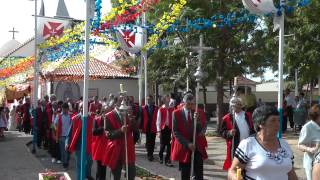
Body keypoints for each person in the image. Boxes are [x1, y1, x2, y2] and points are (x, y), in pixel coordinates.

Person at [228, 105, 298, 180]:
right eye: (273, 120)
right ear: (260, 124)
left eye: (278, 120)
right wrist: (236, 177)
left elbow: (291, 172)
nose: (278, 124)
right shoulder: (248, 144)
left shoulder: (284, 144)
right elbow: (232, 171)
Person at [171, 93, 208, 180]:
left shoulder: (196, 112)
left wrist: (197, 120)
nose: (191, 106)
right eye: (189, 104)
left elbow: (200, 130)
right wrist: (187, 144)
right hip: (184, 146)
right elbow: (175, 131)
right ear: (184, 103)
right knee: (185, 172)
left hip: (197, 146)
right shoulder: (176, 113)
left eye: (193, 104)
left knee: (199, 171)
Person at [102, 95, 138, 180]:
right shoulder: (108, 116)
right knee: (116, 175)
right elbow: (108, 134)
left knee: (131, 173)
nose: (124, 103)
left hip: (128, 148)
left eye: (125, 101)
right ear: (115, 103)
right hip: (116, 148)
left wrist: (131, 118)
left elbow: (135, 129)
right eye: (121, 101)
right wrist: (120, 131)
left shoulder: (128, 114)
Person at [220, 97, 255, 170]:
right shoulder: (227, 118)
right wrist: (229, 133)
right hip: (235, 145)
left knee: (249, 165)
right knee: (236, 166)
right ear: (231, 106)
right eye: (234, 105)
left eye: (238, 104)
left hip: (249, 144)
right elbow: (222, 132)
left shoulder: (248, 115)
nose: (236, 106)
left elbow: (254, 128)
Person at [67, 103, 94, 180]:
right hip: (79, 146)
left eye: (84, 107)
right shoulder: (75, 118)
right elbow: (70, 133)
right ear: (79, 108)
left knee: (89, 162)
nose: (82, 109)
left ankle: (87, 175)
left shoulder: (91, 119)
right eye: (81, 107)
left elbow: (93, 132)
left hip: (88, 145)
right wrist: (67, 142)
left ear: (88, 108)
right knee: (80, 164)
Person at [298, 104, 320, 180]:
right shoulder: (308, 127)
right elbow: (300, 145)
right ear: (317, 116)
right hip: (312, 163)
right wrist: (310, 149)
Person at [156, 94, 174, 166]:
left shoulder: (172, 109)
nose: (169, 99)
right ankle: (160, 157)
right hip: (163, 129)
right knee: (162, 145)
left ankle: (167, 159)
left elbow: (173, 120)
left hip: (169, 129)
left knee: (169, 145)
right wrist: (159, 131)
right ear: (164, 100)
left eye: (169, 98)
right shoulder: (161, 109)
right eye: (167, 98)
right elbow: (158, 121)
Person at [54, 103, 72, 169]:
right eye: (63, 109)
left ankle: (66, 161)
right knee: (63, 151)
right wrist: (57, 130)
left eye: (65, 109)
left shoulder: (71, 115)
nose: (64, 110)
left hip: (69, 136)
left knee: (68, 151)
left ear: (67, 109)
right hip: (61, 136)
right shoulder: (59, 116)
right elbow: (55, 124)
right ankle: (65, 164)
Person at [141, 95, 158, 161]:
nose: (149, 101)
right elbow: (141, 118)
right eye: (147, 99)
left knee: (153, 141)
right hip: (147, 126)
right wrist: (141, 127)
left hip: (154, 126)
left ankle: (151, 154)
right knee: (148, 140)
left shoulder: (156, 108)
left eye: (150, 99)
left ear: (152, 100)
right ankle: (149, 154)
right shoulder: (143, 108)